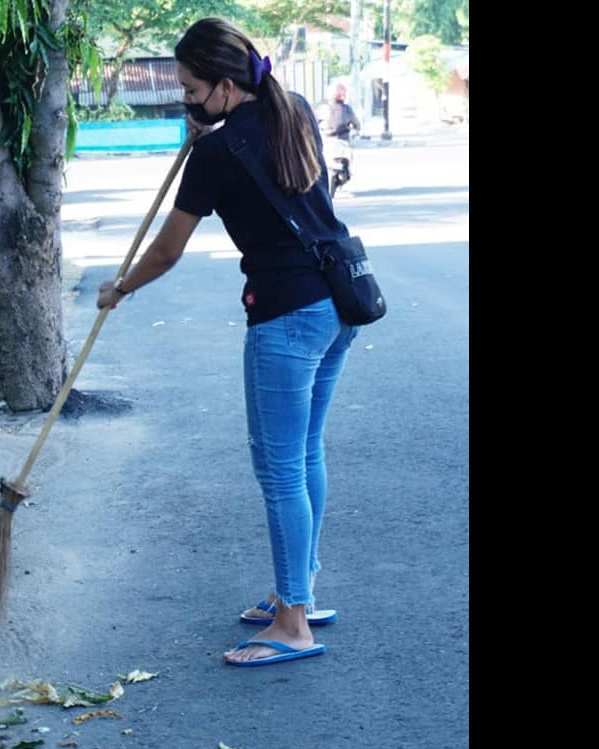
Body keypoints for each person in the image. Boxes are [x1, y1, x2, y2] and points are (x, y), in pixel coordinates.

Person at [95, 17, 359, 667]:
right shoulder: (292, 109)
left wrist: (120, 288)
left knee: (279, 470)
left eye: (190, 88)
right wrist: (206, 128)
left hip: (287, 318)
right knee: (302, 454)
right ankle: (299, 591)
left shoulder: (215, 154)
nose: (185, 98)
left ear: (221, 85)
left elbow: (165, 250)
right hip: (339, 302)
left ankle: (294, 622)